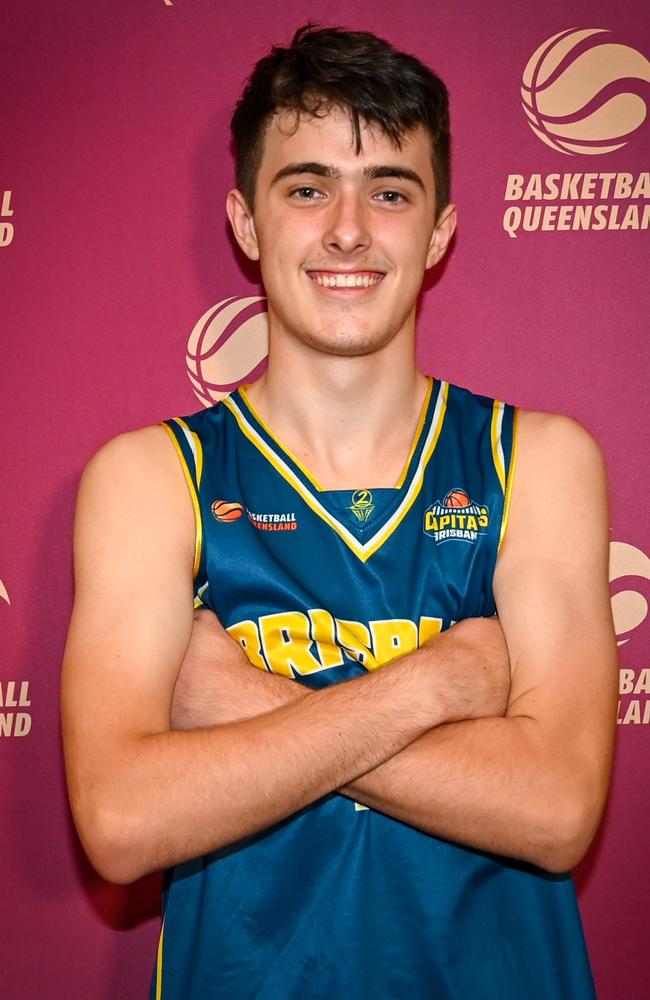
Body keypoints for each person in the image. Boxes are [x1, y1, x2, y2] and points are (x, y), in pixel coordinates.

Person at [61, 25, 618, 999]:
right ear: (245, 221)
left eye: (390, 191)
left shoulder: (535, 461)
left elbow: (555, 805)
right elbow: (119, 821)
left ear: (440, 228)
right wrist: (437, 681)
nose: (348, 228)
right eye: (308, 186)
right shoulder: (153, 477)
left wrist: (238, 703)